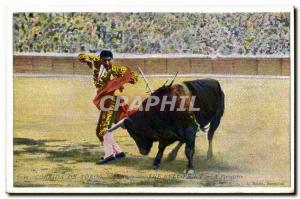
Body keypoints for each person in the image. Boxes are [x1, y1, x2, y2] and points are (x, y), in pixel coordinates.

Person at [78, 50, 138, 164]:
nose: (106, 62)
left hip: (111, 101)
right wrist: (86, 60)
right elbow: (82, 55)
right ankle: (118, 152)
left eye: (109, 60)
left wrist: (125, 79)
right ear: (100, 59)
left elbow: (134, 77)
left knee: (104, 128)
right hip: (105, 100)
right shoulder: (97, 62)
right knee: (99, 130)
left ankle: (109, 154)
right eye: (104, 60)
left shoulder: (117, 69)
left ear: (112, 59)